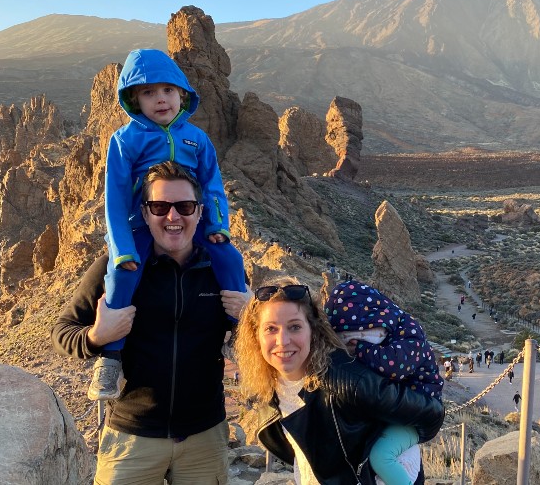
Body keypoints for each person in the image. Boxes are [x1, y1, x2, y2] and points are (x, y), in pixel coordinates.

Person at [52, 161, 248, 483]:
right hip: (132, 437)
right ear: (144, 214)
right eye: (160, 206)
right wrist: (96, 336)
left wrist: (251, 316)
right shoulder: (116, 268)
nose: (173, 217)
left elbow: (257, 342)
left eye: (184, 206)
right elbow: (62, 333)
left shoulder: (223, 271)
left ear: (200, 212)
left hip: (205, 437)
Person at [93, 48, 247, 401]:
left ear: (182, 94)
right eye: (148, 92)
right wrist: (123, 249)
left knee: (230, 260)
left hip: (196, 220)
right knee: (122, 276)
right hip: (143, 224)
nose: (160, 99)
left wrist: (218, 225)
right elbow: (115, 200)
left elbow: (213, 185)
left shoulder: (197, 138)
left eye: (168, 90)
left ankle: (240, 336)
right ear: (134, 99)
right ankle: (111, 355)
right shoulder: (125, 140)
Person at [236, 278, 444, 484]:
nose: (283, 341)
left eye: (295, 327)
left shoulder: (348, 380)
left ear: (313, 331)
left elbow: (432, 415)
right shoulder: (267, 391)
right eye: (271, 328)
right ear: (256, 336)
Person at [325, 280, 445, 485]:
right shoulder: (393, 330)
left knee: (381, 457)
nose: (352, 343)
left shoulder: (410, 335)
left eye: (358, 336)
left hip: (414, 416)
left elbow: (394, 366)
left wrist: (360, 349)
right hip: (397, 411)